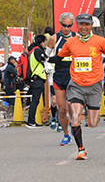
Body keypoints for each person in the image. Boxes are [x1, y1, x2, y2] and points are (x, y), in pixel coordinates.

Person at [49, 13, 105, 160]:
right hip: (76, 84)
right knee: (75, 116)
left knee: (93, 123)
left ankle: (88, 111)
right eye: (81, 24)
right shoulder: (71, 42)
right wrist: (46, 58)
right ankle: (81, 149)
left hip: (94, 85)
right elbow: (58, 58)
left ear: (91, 25)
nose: (84, 27)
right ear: (77, 25)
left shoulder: (99, 41)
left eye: (87, 24)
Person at [46, 13, 76, 145]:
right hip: (59, 74)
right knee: (62, 108)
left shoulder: (77, 37)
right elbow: (45, 56)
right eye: (64, 25)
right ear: (60, 24)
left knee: (71, 105)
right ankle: (65, 133)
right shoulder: (54, 38)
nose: (67, 28)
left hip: (74, 74)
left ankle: (75, 128)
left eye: (69, 26)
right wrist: (47, 66)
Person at [26, 34, 48, 128]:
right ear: (42, 42)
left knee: (35, 100)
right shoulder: (37, 50)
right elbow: (46, 58)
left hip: (33, 78)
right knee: (35, 100)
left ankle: (32, 121)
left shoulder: (31, 51)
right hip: (37, 78)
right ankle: (31, 121)